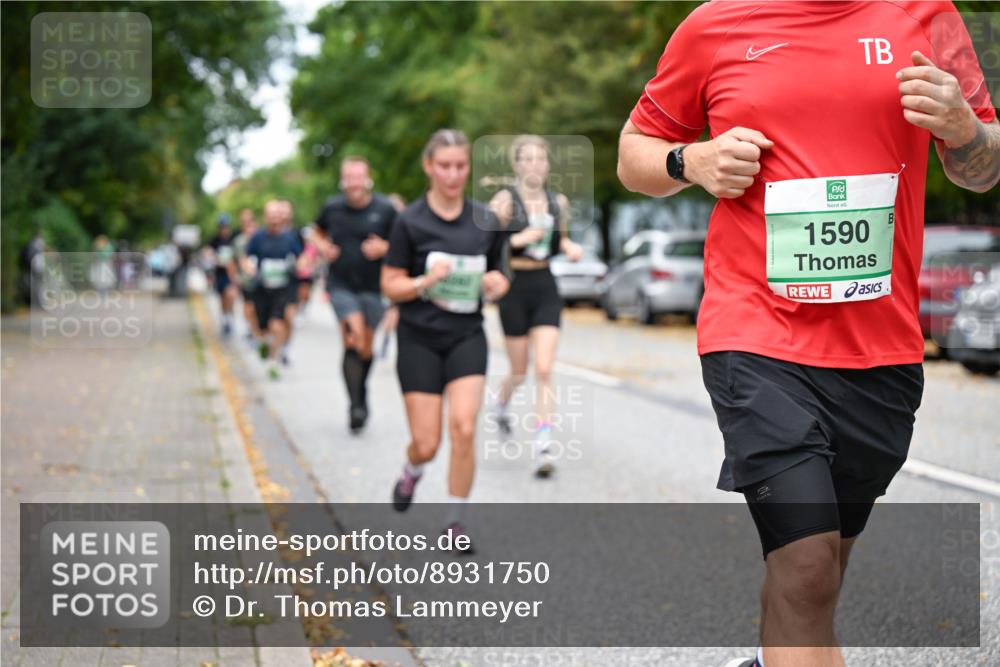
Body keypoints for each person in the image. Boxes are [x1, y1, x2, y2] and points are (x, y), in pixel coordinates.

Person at [617, 2, 998, 666]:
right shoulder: (715, 25)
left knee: (817, 574)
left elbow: (983, 167)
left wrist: (966, 128)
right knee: (807, 565)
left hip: (881, 349)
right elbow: (632, 154)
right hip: (755, 334)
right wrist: (694, 161)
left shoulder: (929, 16)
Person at [382, 129, 510, 552]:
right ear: (429, 167)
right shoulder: (409, 221)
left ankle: (455, 521)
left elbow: (500, 275)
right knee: (427, 442)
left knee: (464, 428)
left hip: (466, 336)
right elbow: (390, 285)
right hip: (418, 338)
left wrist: (496, 283)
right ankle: (411, 470)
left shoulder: (485, 221)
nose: (453, 175)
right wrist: (423, 281)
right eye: (444, 166)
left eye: (460, 166)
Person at [489, 135, 584, 479]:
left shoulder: (557, 201)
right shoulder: (504, 201)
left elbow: (558, 241)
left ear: (547, 164)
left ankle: (543, 443)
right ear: (516, 164)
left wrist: (571, 247)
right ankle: (500, 403)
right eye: (526, 159)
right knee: (519, 370)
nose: (534, 165)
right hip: (513, 289)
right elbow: (491, 245)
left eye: (539, 159)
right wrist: (517, 239)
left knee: (543, 368)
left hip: (545, 286)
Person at [313, 157, 397, 434]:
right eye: (349, 177)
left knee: (366, 348)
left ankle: (361, 392)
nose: (354, 183)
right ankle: (355, 406)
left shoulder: (385, 209)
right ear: (342, 180)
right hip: (340, 285)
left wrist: (385, 248)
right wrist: (323, 247)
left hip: (374, 288)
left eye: (358, 177)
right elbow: (315, 232)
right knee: (354, 337)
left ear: (368, 178)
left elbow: (402, 243)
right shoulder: (332, 207)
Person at [243, 200, 303, 380]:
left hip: (282, 289)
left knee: (277, 324)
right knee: (263, 329)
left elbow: (301, 258)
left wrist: (297, 266)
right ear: (266, 217)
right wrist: (251, 269)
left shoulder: (290, 238)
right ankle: (264, 343)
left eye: (277, 214)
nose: (275, 218)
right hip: (262, 289)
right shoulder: (258, 238)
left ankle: (274, 361)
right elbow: (246, 259)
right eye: (271, 215)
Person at [232, 208, 262, 344]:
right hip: (246, 280)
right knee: (249, 306)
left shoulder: (260, 238)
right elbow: (234, 260)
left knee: (258, 307)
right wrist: (235, 277)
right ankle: (251, 329)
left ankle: (256, 331)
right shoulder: (239, 241)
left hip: (261, 280)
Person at [207, 214, 238, 337]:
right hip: (220, 274)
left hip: (231, 274)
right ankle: (225, 319)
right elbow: (208, 252)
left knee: (230, 295)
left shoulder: (233, 239)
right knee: (222, 298)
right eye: (221, 226)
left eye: (225, 226)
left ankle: (230, 318)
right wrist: (214, 259)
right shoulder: (215, 240)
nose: (224, 229)